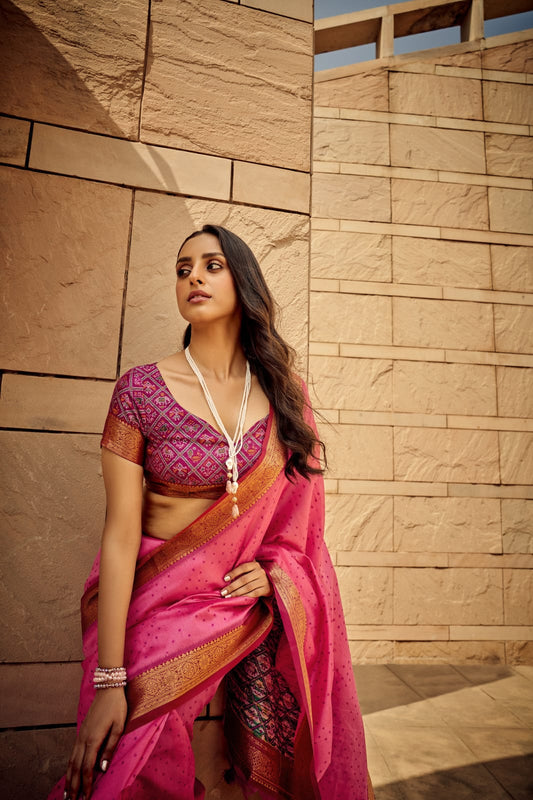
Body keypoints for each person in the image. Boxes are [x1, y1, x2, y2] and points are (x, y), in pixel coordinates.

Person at [49, 224, 372, 800]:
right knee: (123, 759)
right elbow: (120, 537)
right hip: (148, 600)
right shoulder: (140, 391)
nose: (193, 276)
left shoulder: (285, 396)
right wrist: (110, 680)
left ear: (243, 281)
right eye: (182, 269)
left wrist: (276, 575)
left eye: (211, 264)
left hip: (232, 600)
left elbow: (301, 529)